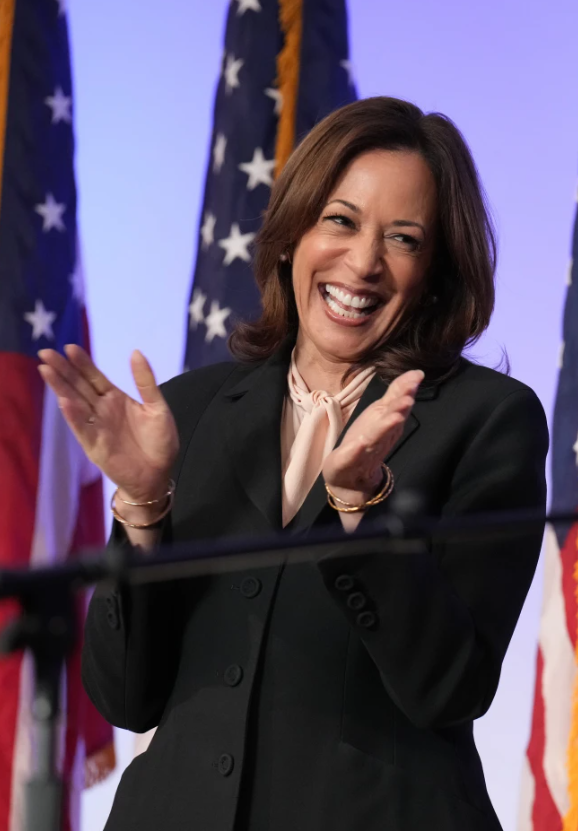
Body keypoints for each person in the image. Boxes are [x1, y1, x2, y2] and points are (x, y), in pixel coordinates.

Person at [38, 97, 548, 831]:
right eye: (339, 220)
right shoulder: (190, 409)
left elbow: (448, 688)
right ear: (292, 234)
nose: (363, 261)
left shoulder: (487, 419)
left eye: (402, 238)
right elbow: (124, 695)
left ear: (435, 272)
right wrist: (145, 504)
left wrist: (362, 508)